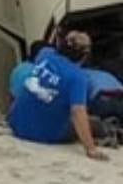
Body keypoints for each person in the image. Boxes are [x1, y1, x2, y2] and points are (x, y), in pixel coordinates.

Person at [7, 31, 108, 161]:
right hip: (45, 134)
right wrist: (90, 149)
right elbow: (78, 111)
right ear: (85, 55)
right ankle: (121, 135)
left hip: (16, 124)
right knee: (94, 123)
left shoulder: (45, 56)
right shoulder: (78, 77)